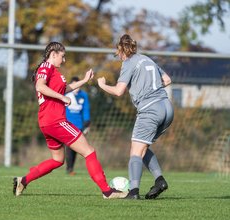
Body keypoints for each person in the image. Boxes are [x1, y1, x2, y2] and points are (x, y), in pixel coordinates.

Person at [13, 42, 127, 199]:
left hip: (47, 122)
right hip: (55, 120)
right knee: (89, 151)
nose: (64, 59)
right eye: (62, 56)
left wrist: (84, 81)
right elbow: (40, 86)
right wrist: (62, 98)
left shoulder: (52, 71)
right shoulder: (46, 67)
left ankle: (23, 181)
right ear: (53, 54)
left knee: (58, 160)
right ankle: (107, 191)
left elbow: (63, 89)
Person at [97, 34, 174, 200]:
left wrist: (102, 85)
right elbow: (167, 80)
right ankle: (159, 181)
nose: (118, 56)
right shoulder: (147, 59)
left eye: (118, 53)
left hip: (150, 110)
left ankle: (133, 192)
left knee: (135, 151)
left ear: (122, 50)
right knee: (143, 147)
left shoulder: (128, 63)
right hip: (167, 108)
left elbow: (118, 91)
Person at [65, 76, 91, 175]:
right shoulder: (65, 94)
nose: (77, 88)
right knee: (69, 147)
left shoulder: (83, 95)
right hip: (67, 125)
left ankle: (71, 168)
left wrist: (87, 124)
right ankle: (69, 168)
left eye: (78, 86)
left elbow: (86, 110)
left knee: (76, 148)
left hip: (79, 125)